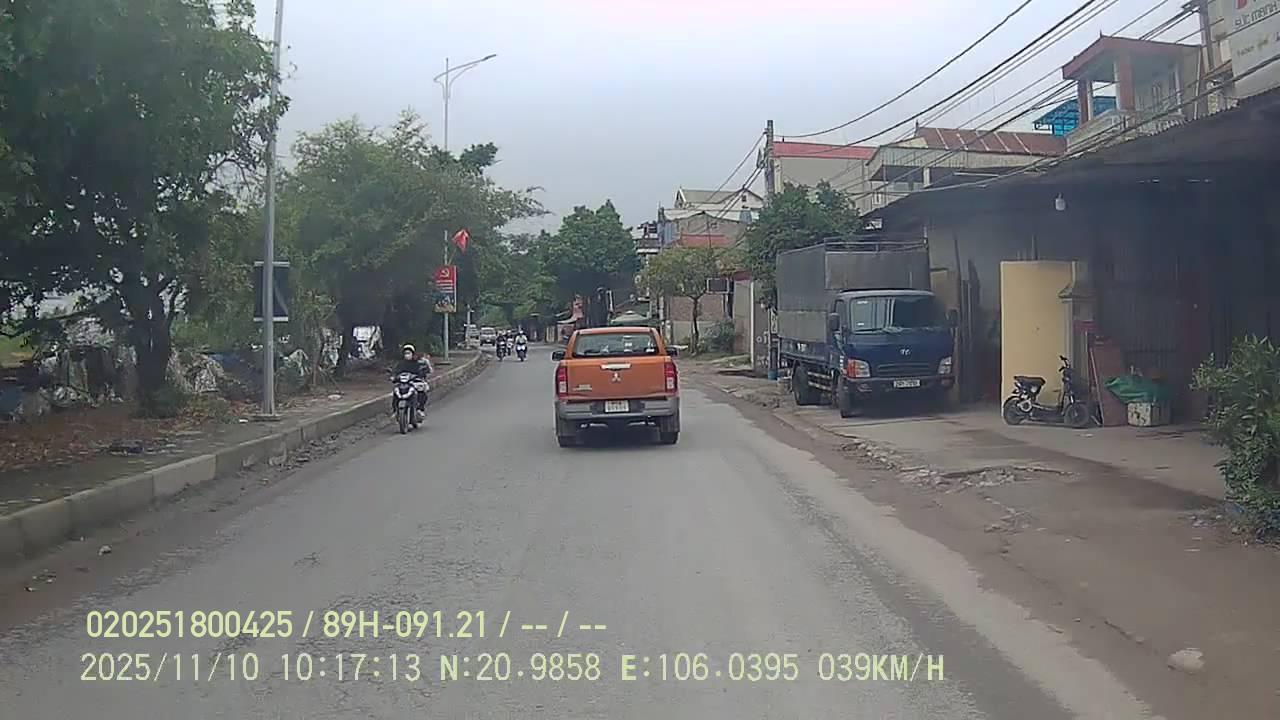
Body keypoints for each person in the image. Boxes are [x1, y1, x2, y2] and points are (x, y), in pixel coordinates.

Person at [394, 344, 432, 412]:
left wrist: (422, 374)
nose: (407, 355)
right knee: (395, 392)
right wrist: (394, 377)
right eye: (405, 353)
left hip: (415, 381)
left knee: (422, 392)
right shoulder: (400, 363)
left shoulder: (418, 363)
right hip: (403, 382)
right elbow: (396, 372)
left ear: (412, 353)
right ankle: (395, 410)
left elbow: (424, 370)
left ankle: (420, 409)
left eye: (409, 353)